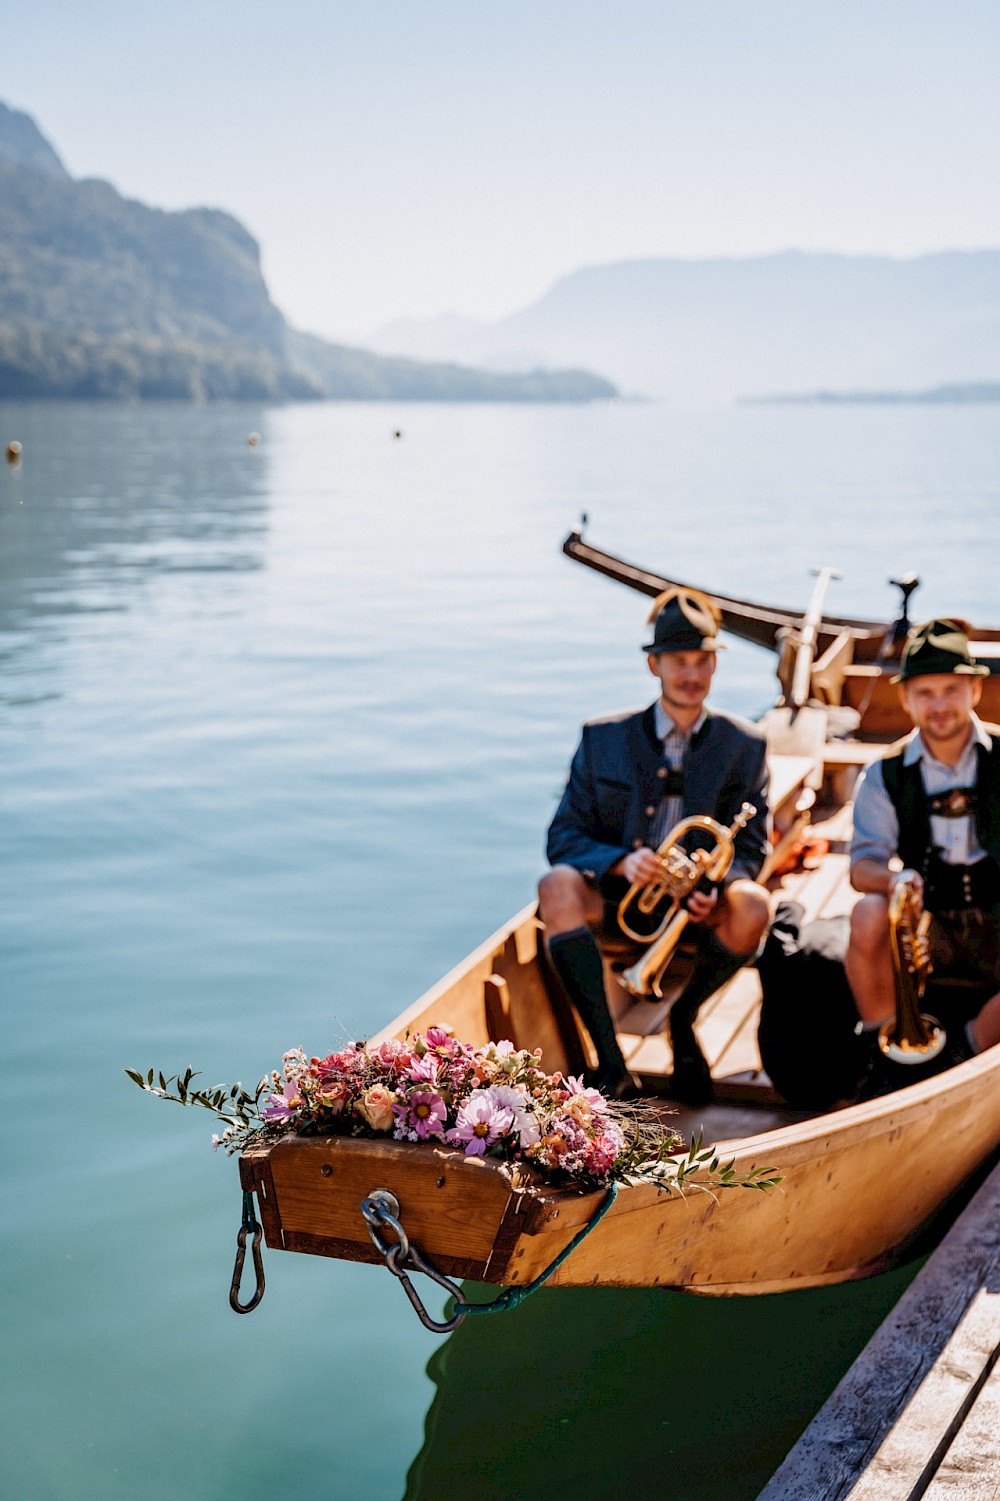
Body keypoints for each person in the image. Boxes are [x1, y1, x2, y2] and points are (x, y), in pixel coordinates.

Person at [539, 587, 771, 1103]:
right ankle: (611, 1061)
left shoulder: (745, 744)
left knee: (754, 904)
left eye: (702, 662)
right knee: (556, 886)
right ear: (654, 666)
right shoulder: (603, 738)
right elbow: (562, 838)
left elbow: (753, 848)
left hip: (696, 906)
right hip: (623, 892)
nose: (691, 675)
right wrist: (621, 860)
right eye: (678, 662)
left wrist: (719, 882)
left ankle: (683, 1022)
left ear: (714, 666)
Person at [847, 618, 1000, 1069]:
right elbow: (862, 867)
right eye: (925, 694)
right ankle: (890, 1045)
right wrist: (896, 879)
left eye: (951, 690)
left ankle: (965, 1050)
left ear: (974, 691)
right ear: (906, 699)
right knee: (869, 913)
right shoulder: (885, 772)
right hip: (927, 921)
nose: (939, 706)